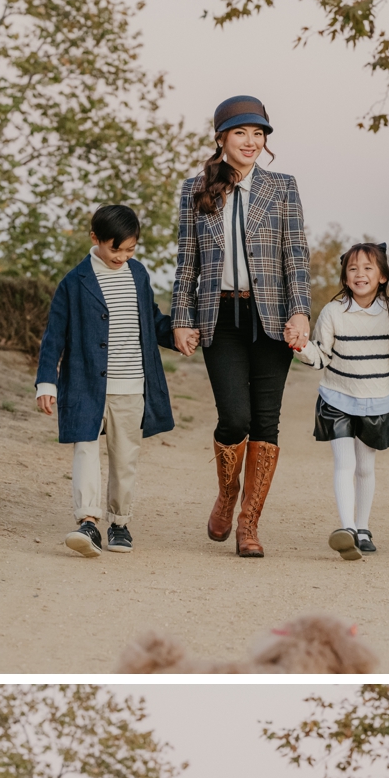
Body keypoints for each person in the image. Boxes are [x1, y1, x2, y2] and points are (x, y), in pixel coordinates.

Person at [171, 96, 311, 558]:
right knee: (235, 417)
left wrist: (301, 311)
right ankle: (227, 493)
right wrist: (181, 319)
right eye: (241, 133)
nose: (252, 142)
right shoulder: (196, 188)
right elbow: (185, 264)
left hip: (271, 316)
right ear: (221, 138)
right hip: (220, 317)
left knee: (266, 423)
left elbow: (297, 257)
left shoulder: (283, 187)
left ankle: (248, 524)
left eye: (259, 134)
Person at [36, 203, 177, 557]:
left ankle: (119, 522)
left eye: (130, 249)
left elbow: (153, 320)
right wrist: (46, 382)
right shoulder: (74, 281)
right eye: (116, 249)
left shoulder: (139, 275)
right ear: (95, 239)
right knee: (85, 448)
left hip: (131, 386)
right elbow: (54, 336)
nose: (122, 256)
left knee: (124, 456)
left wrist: (179, 334)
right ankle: (87, 521)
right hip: (85, 383)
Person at [292, 241, 389, 560]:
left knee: (365, 467)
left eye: (368, 268)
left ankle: (363, 526)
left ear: (382, 275)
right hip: (337, 398)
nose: (360, 274)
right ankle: (348, 530)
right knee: (345, 463)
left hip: (376, 401)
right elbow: (321, 357)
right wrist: (299, 347)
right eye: (353, 269)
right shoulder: (333, 312)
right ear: (344, 278)